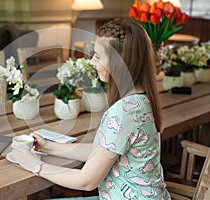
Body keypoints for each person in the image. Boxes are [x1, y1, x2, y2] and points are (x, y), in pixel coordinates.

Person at [11, 18, 171, 200]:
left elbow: (87, 181)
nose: (93, 62)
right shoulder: (140, 101)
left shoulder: (124, 112)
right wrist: (49, 147)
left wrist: (34, 165)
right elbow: (100, 152)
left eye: (98, 56)